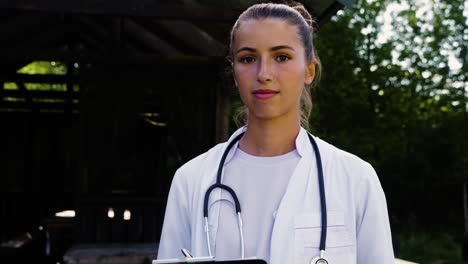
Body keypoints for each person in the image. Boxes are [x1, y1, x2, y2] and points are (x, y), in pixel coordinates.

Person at [157, 2, 394, 264]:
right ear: (234, 73)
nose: (264, 74)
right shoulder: (191, 180)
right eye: (248, 58)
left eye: (281, 57)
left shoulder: (356, 179)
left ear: (309, 70)